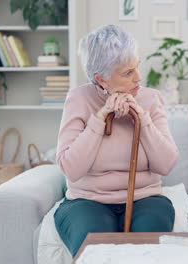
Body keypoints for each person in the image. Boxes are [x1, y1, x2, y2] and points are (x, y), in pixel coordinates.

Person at [54, 24, 179, 257]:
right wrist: (99, 119)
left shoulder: (150, 99)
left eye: (137, 67)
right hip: (87, 201)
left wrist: (141, 118)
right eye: (127, 73)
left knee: (147, 252)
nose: (138, 78)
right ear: (102, 79)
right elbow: (71, 169)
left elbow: (167, 164)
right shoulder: (79, 99)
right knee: (98, 251)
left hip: (146, 199)